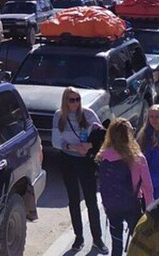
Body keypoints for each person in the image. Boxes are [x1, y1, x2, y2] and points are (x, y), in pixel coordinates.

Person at [52, 87, 108, 254]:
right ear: (65, 101)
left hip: (85, 161)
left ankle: (97, 239)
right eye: (71, 100)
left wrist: (89, 146)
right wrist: (72, 147)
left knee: (91, 200)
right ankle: (78, 237)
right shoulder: (58, 116)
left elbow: (102, 135)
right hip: (68, 159)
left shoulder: (88, 114)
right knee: (73, 200)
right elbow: (56, 141)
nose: (75, 103)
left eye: (77, 99)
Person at [97, 118, 154, 255]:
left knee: (116, 242)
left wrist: (105, 204)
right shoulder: (138, 158)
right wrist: (150, 209)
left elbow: (102, 183)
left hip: (112, 205)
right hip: (132, 204)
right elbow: (147, 187)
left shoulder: (104, 155)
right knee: (138, 241)